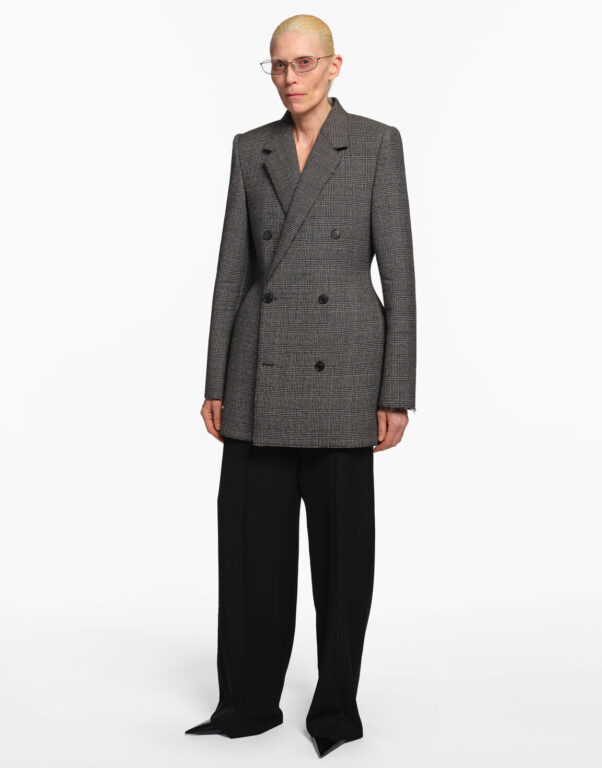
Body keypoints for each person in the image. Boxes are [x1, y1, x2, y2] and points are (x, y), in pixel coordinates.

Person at [185, 13, 416, 759]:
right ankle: (248, 703)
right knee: (250, 553)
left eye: (304, 63)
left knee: (343, 560)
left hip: (346, 371)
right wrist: (216, 376)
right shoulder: (249, 148)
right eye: (278, 65)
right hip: (258, 372)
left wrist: (396, 389)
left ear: (335, 66)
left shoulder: (376, 143)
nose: (290, 78)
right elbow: (231, 271)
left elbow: (400, 276)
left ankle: (336, 710)